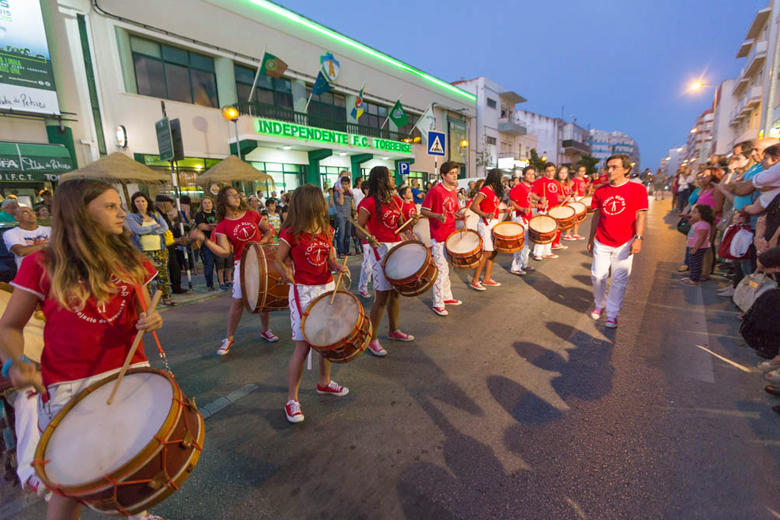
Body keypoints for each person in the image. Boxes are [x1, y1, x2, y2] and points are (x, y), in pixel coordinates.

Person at [0, 179, 165, 520]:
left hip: (131, 373)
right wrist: (15, 362)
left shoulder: (128, 256)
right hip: (69, 386)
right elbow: (9, 326)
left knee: (131, 461)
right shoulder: (42, 263)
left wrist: (152, 318)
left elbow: (145, 309)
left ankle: (139, 516)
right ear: (80, 213)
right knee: (71, 486)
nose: (122, 212)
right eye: (110, 206)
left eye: (119, 205)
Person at [275, 185, 350, 424]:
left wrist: (337, 267)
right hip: (303, 291)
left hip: (326, 287)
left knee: (326, 339)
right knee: (303, 346)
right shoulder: (291, 233)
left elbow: (330, 259)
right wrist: (286, 273)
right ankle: (292, 400)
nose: (325, 204)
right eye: (321, 201)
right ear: (311, 204)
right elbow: (278, 259)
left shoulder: (327, 230)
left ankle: (324, 382)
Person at [189, 186, 279, 355]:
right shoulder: (222, 225)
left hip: (260, 260)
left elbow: (268, 231)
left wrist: (260, 243)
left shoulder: (252, 214)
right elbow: (224, 252)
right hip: (241, 263)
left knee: (264, 297)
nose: (237, 197)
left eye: (237, 195)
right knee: (238, 301)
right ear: (223, 200)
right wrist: (205, 240)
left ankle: (265, 330)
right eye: (232, 195)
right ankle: (229, 337)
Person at [356, 166, 415, 355]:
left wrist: (412, 223)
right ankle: (371, 339)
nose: (393, 178)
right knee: (381, 296)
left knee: (395, 292)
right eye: (389, 175)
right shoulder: (368, 202)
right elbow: (359, 228)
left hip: (396, 247)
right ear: (380, 179)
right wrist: (369, 237)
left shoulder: (396, 201)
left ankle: (393, 330)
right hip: (380, 250)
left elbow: (401, 225)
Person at [587, 154, 648, 328]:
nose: (610, 170)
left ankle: (612, 313)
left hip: (625, 242)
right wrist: (591, 237)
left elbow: (640, 215)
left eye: (615, 167)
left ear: (626, 169)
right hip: (602, 240)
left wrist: (638, 238)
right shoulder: (600, 191)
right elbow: (596, 216)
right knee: (597, 276)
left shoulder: (638, 189)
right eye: (608, 167)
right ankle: (600, 303)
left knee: (619, 280)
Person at [421, 162, 463, 316]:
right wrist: (437, 216)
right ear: (443, 175)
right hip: (439, 236)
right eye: (451, 173)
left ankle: (446, 296)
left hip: (451, 234)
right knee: (441, 270)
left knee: (448, 269)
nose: (455, 175)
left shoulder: (453, 191)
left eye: (456, 173)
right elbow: (424, 210)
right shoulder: (436, 191)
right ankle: (438, 303)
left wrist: (461, 216)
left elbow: (453, 213)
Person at [126, 192, 175, 306]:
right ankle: (147, 300)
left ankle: (166, 297)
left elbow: (165, 227)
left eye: (143, 201)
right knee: (146, 276)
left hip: (160, 249)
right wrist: (154, 226)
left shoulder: (155, 214)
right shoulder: (132, 216)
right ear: (133, 203)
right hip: (143, 251)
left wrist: (147, 231)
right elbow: (137, 230)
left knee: (163, 275)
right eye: (137, 201)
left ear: (147, 202)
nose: (141, 204)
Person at [468, 168, 504, 291]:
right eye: (501, 178)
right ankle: (475, 280)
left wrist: (505, 210)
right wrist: (485, 214)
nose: (502, 181)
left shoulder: (494, 191)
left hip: (493, 223)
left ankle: (487, 278)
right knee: (486, 253)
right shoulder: (485, 190)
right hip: (485, 224)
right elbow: (473, 206)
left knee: (493, 252)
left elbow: (494, 209)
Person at [508, 166, 539, 275]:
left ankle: (523, 264)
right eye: (529, 174)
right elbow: (512, 202)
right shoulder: (519, 187)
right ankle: (515, 267)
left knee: (527, 243)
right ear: (523, 175)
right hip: (520, 217)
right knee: (521, 243)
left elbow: (527, 202)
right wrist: (522, 209)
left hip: (527, 217)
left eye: (533, 174)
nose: (531, 176)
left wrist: (538, 204)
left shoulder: (529, 187)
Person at [681, 204, 713, 287]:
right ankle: (692, 277)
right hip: (694, 246)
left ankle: (694, 280)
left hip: (699, 248)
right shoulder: (699, 223)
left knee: (696, 264)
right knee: (692, 263)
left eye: (695, 212)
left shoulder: (703, 225)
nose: (692, 214)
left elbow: (701, 238)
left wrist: (695, 248)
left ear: (702, 214)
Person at [532, 163, 559, 260]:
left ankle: (547, 252)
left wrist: (565, 198)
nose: (550, 173)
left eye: (552, 170)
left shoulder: (556, 182)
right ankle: (537, 252)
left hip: (553, 210)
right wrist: (539, 198)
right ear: (544, 171)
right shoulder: (540, 181)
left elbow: (557, 196)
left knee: (551, 231)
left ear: (555, 171)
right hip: (543, 209)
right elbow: (533, 194)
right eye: (547, 171)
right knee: (542, 232)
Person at [194, 197, 218, 291]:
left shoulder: (216, 214)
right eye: (205, 203)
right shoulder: (200, 215)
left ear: (212, 204)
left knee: (221, 264)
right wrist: (215, 226)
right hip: (206, 242)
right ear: (202, 204)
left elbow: (222, 224)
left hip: (218, 241)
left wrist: (210, 226)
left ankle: (223, 282)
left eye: (209, 202)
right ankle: (210, 284)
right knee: (209, 264)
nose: (207, 204)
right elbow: (201, 226)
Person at [356, 181, 374, 298]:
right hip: (368, 238)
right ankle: (362, 287)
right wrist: (369, 236)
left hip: (376, 238)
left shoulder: (374, 201)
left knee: (374, 265)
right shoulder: (363, 204)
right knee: (368, 265)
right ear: (366, 190)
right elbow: (363, 225)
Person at [333, 174, 354, 257]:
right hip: (341, 216)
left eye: (346, 184)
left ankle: (346, 251)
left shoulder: (349, 193)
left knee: (348, 234)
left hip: (348, 216)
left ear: (349, 184)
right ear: (340, 184)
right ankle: (340, 252)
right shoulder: (336, 193)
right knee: (341, 234)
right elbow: (341, 202)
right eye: (343, 184)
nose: (344, 185)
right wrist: (341, 193)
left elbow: (352, 203)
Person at [569, 166, 589, 239]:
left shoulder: (583, 180)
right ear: (577, 172)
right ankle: (567, 234)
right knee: (573, 217)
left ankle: (575, 233)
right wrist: (572, 192)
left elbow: (584, 190)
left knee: (578, 218)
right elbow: (568, 188)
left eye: (583, 171)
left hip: (581, 198)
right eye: (580, 171)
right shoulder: (574, 179)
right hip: (575, 198)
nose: (582, 172)